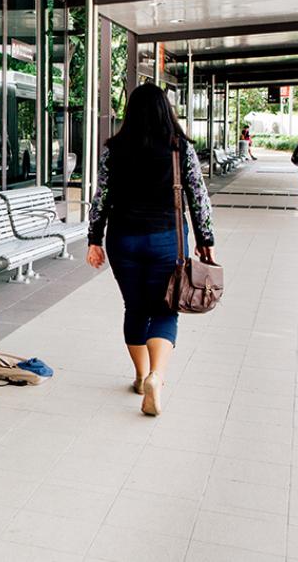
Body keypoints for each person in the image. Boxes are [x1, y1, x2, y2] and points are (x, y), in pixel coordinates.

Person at [85, 84, 215, 417]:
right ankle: (157, 376)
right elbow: (197, 198)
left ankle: (141, 376)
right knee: (165, 309)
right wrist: (205, 239)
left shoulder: (114, 149)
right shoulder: (178, 147)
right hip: (166, 239)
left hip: (123, 239)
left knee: (135, 307)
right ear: (165, 110)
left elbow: (101, 198)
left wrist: (94, 239)